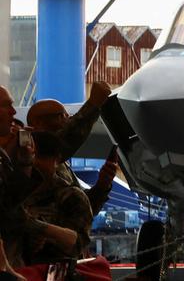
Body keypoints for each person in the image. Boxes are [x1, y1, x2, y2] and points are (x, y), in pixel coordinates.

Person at [26, 81, 116, 215]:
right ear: (38, 123)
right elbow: (62, 142)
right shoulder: (30, 158)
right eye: (62, 116)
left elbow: (83, 209)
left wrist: (102, 185)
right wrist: (93, 104)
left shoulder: (61, 165)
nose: (69, 120)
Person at [22, 131, 92, 264]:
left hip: (53, 275)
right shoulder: (12, 194)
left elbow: (78, 245)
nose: (35, 163)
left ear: (56, 160)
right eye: (30, 157)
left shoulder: (71, 196)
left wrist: (45, 234)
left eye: (42, 157)